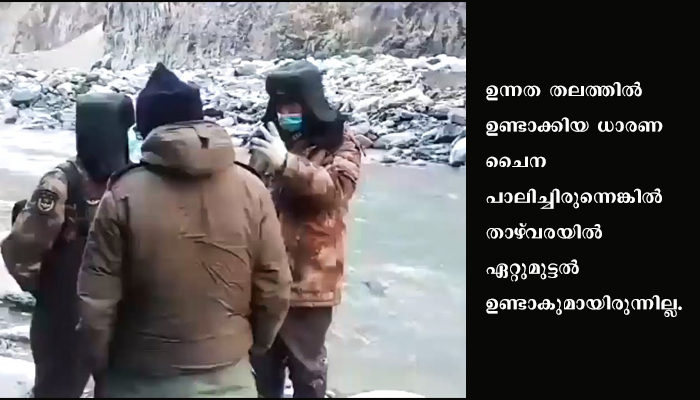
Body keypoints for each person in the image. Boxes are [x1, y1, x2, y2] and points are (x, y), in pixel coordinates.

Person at [76, 62, 292, 398]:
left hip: (138, 377)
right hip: (229, 376)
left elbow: (96, 304)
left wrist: (103, 368)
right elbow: (275, 287)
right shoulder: (252, 188)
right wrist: (249, 348)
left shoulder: (122, 195)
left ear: (147, 130)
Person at [1, 92, 134, 398]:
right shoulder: (64, 183)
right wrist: (46, 291)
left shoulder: (128, 179)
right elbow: (21, 248)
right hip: (70, 318)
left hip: (110, 316)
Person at [248, 60, 363, 398]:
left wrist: (287, 164)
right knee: (261, 366)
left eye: (294, 107)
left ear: (311, 104)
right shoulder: (269, 139)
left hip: (311, 281)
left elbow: (336, 190)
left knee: (307, 369)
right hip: (265, 279)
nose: (286, 114)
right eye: (281, 107)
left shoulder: (341, 143)